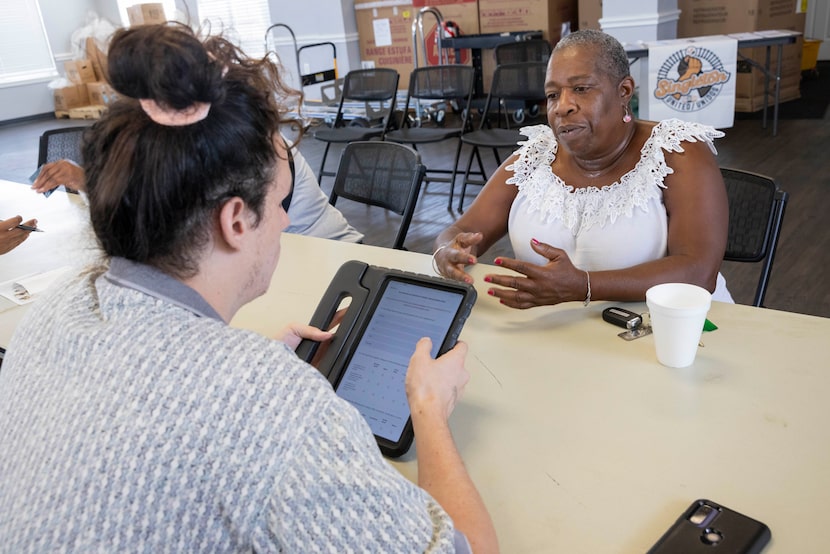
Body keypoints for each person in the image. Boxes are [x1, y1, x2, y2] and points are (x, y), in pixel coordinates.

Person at [0, 24, 497, 553]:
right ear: (236, 220)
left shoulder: (58, 306)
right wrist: (428, 408)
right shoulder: (273, 408)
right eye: (281, 205)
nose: (286, 225)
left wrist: (252, 367)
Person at [433, 29, 733, 308]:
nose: (562, 106)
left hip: (670, 331)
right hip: (561, 334)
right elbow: (460, 231)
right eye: (552, 95)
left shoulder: (676, 152)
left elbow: (698, 272)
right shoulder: (534, 158)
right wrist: (449, 250)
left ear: (624, 91)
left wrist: (584, 286)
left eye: (581, 88)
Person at [31, 143, 364, 243]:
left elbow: (179, 216)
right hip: (285, 258)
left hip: (327, 253)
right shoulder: (194, 145)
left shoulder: (254, 143)